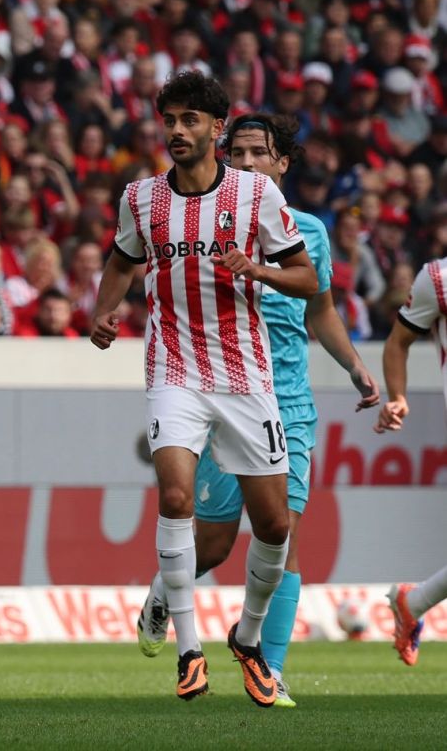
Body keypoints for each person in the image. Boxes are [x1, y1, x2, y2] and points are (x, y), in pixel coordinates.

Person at [134, 113, 379, 706]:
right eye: (236, 152)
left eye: (257, 154)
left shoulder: (310, 233)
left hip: (287, 401)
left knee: (284, 530)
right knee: (214, 545)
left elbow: (319, 309)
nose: (245, 163)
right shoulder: (208, 217)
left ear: (281, 163)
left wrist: (354, 367)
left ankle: (266, 666)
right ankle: (166, 594)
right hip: (219, 389)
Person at [88, 72, 317, 707]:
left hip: (246, 376)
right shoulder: (140, 199)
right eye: (170, 120)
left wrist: (258, 268)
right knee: (175, 493)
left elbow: (305, 277)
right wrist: (103, 311)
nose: (177, 131)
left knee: (273, 524)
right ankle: (190, 652)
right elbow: (120, 259)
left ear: (217, 128)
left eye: (191, 120)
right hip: (174, 370)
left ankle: (245, 640)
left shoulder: (254, 197)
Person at [375, 249, 447, 668]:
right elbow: (398, 342)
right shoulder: (436, 279)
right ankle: (412, 602)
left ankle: (412, 602)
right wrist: (398, 397)